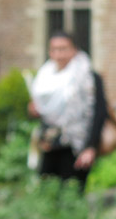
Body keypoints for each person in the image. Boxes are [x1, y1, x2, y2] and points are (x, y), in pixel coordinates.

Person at [27, 31, 106, 190]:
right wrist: (33, 111)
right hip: (50, 144)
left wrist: (90, 147)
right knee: (47, 193)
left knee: (72, 194)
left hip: (76, 145)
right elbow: (44, 112)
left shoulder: (88, 76)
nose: (58, 54)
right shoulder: (44, 77)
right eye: (54, 49)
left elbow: (99, 112)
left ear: (74, 50)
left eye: (63, 49)